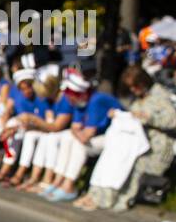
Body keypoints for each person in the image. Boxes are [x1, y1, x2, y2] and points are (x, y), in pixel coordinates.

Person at [75, 67, 176, 211]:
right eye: (130, 87)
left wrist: (149, 118)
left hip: (155, 145)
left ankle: (121, 198)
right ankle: (96, 195)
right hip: (132, 141)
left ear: (143, 82)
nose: (133, 90)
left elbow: (172, 121)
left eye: (135, 86)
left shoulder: (160, 96)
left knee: (131, 166)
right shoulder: (139, 98)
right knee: (110, 159)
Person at [40, 72, 123, 202]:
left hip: (116, 138)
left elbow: (85, 136)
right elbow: (75, 128)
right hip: (97, 136)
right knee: (67, 137)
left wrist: (77, 132)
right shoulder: (80, 103)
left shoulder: (96, 101)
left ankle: (69, 186)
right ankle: (58, 181)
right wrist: (77, 132)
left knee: (79, 145)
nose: (68, 100)